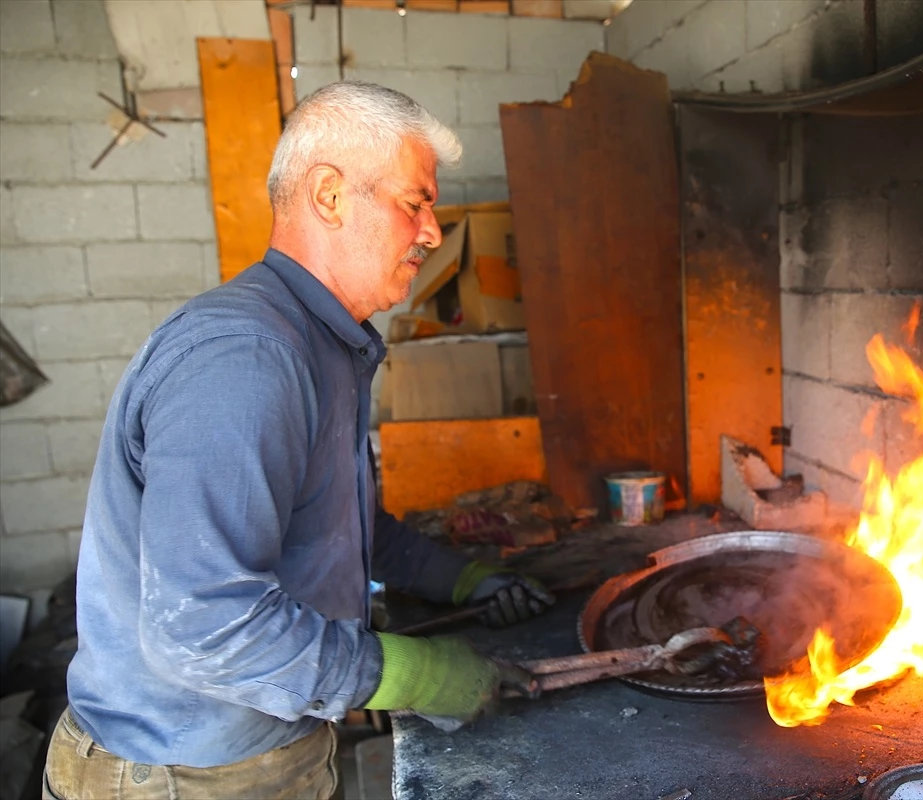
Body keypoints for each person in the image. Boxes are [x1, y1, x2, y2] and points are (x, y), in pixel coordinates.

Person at [42, 82, 552, 800]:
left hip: (252, 751)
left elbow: (340, 522)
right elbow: (204, 624)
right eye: (416, 202)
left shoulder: (321, 345)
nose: (434, 232)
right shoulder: (246, 355)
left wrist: (464, 580)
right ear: (330, 195)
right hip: (185, 777)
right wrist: (415, 675)